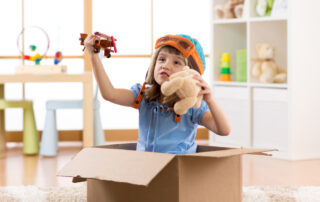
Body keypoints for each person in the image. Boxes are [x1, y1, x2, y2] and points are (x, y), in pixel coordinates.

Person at [84, 34, 231, 154]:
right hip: (145, 166)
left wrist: (210, 100)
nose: (166, 65)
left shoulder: (192, 104)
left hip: (177, 169)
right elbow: (110, 94)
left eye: (177, 63)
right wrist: (94, 57)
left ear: (190, 72)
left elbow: (223, 130)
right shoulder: (143, 94)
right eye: (162, 59)